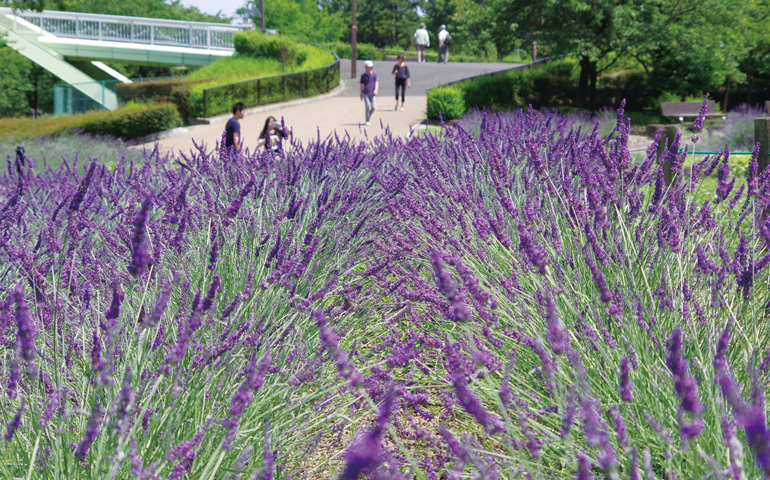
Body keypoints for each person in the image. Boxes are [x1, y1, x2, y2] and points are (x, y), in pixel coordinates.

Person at [359, 60, 378, 126]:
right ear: (366, 67)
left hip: (373, 93)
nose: (370, 67)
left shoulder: (374, 74)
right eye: (369, 66)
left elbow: (376, 82)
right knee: (367, 106)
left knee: (374, 107)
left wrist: (376, 90)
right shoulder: (363, 75)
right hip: (365, 93)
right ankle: (367, 119)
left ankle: (368, 115)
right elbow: (361, 85)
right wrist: (361, 94)